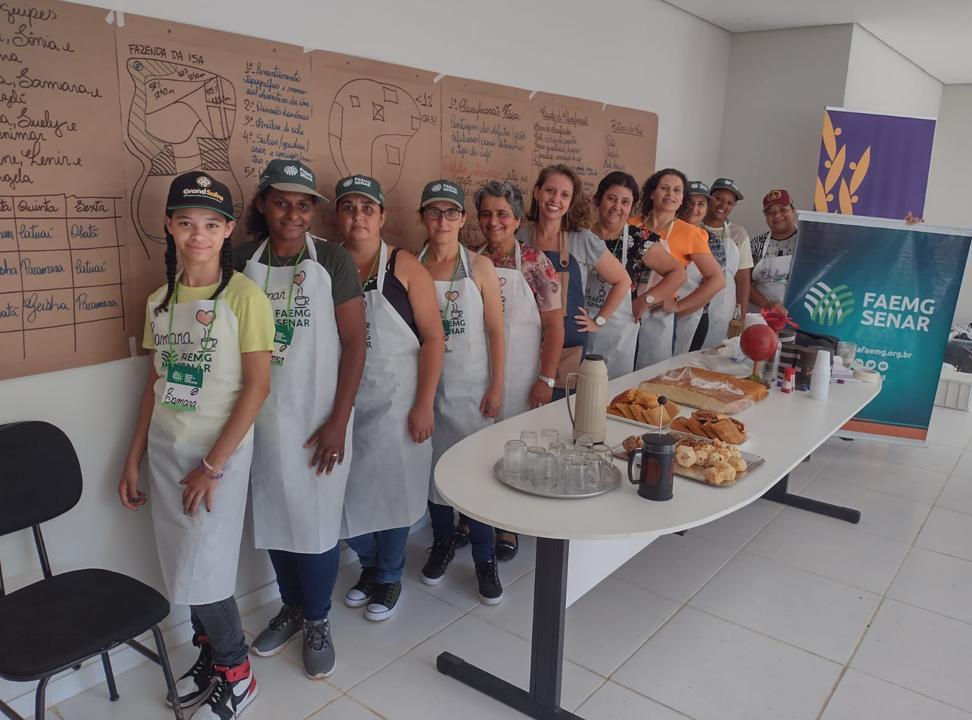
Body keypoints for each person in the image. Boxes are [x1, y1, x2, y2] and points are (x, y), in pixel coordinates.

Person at [119, 172, 273, 719]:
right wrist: (134, 456)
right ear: (169, 226)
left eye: (210, 224)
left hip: (218, 456)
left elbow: (258, 387)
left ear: (228, 229)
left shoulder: (246, 297)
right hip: (167, 452)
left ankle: (239, 673)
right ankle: (211, 656)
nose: (197, 235)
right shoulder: (160, 300)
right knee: (185, 567)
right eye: (185, 223)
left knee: (205, 573)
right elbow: (155, 385)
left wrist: (212, 464)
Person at [233, 160, 366, 678]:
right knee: (272, 517)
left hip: (317, 417)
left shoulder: (332, 259)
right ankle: (291, 607)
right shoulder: (242, 258)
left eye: (305, 204)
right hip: (259, 418)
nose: (294, 213)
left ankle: (317, 619)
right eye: (283, 202)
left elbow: (355, 344)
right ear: (263, 204)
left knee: (314, 525)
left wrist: (339, 420)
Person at [337, 174, 445, 620]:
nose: (359, 216)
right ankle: (368, 564)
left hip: (399, 400)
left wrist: (423, 404)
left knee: (395, 491)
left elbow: (435, 339)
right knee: (347, 493)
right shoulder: (329, 264)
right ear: (338, 216)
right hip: (346, 401)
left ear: (382, 216)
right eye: (350, 207)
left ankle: (389, 576)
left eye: (368, 208)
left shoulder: (403, 265)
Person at [416, 179, 506, 604]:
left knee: (476, 476)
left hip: (471, 390)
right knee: (433, 473)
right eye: (433, 212)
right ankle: (443, 541)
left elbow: (495, 330)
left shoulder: (479, 267)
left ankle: (485, 559)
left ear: (463, 219)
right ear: (422, 218)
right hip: (427, 389)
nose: (442, 220)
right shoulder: (411, 267)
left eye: (451, 212)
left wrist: (497, 384)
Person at [476, 180, 563, 561]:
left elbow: (555, 327)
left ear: (517, 220)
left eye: (502, 214)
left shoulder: (535, 263)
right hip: (475, 371)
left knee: (513, 450)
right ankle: (473, 518)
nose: (493, 221)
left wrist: (546, 378)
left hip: (521, 373)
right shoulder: (470, 259)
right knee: (474, 446)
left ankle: (507, 524)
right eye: (486, 214)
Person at [522, 164, 630, 395]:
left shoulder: (583, 240)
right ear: (537, 192)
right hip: (524, 340)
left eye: (564, 195)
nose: (555, 199)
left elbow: (623, 281)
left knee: (557, 413)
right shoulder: (521, 236)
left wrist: (598, 320)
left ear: (570, 202)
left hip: (567, 347)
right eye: (550, 191)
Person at [590, 171, 684, 377]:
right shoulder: (582, 235)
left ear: (631, 208)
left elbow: (677, 273)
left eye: (625, 202)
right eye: (611, 199)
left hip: (618, 331)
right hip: (581, 324)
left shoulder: (639, 238)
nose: (617, 207)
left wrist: (646, 300)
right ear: (598, 200)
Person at [633, 169, 724, 367]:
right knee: (615, 371)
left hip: (657, 315)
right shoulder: (631, 224)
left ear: (682, 198)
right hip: (624, 309)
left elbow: (717, 280)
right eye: (664, 188)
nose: (670, 194)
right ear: (652, 193)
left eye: (677, 190)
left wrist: (679, 306)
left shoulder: (691, 233)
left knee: (649, 377)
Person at [678, 181, 739, 351]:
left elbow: (713, 286)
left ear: (706, 208)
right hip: (657, 313)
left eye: (701, 204)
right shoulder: (663, 234)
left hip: (695, 317)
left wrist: (679, 311)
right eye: (689, 202)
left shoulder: (712, 242)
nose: (694, 208)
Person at [703, 178, 753, 323]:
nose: (723, 205)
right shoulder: (693, 226)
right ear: (709, 197)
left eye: (730, 203)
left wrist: (741, 315)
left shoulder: (738, 233)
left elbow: (743, 278)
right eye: (718, 198)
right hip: (690, 299)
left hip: (723, 305)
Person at [750, 188, 798, 311]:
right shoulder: (756, 244)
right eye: (770, 212)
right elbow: (744, 283)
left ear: (793, 210)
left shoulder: (806, 242)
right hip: (764, 316)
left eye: (783, 210)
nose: (777, 215)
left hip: (803, 316)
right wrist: (767, 305)